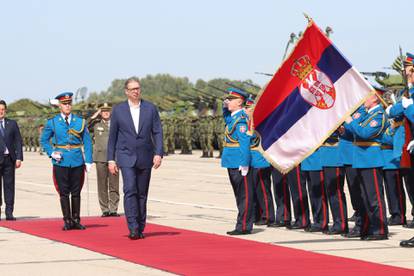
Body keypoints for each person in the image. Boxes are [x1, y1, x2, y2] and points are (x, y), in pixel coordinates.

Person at [107, 77, 163, 240]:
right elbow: (113, 136)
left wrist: (158, 153)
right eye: (132, 89)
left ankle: (140, 225)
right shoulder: (118, 110)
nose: (136, 91)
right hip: (125, 156)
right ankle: (132, 226)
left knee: (142, 193)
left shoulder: (150, 108)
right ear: (126, 92)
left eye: (138, 88)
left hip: (145, 156)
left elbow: (157, 132)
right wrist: (111, 159)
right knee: (130, 189)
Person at [40, 92, 93, 231]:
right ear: (60, 106)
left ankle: (76, 219)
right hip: (61, 161)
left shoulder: (80, 121)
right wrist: (51, 152)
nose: (67, 106)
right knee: (63, 192)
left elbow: (87, 142)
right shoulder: (52, 122)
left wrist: (88, 160)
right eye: (64, 104)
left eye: (69, 103)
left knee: (76, 192)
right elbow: (44, 140)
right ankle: (67, 220)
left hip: (77, 160)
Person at [344, 92, 388, 240]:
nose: (363, 100)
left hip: (371, 160)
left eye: (367, 96)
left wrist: (350, 122)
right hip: (362, 159)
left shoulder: (379, 115)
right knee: (365, 197)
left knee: (374, 197)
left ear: (375, 98)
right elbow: (354, 132)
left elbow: (364, 133)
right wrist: (344, 128)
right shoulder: (366, 114)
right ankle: (369, 228)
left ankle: (380, 230)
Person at [221, 88, 254, 235]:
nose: (228, 101)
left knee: (244, 195)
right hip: (231, 161)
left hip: (239, 162)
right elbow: (227, 119)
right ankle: (242, 223)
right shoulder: (234, 117)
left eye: (231, 99)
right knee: (238, 195)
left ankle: (244, 226)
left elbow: (245, 142)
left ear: (240, 102)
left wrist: (245, 163)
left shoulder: (241, 119)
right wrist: (224, 107)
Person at [91, 103, 120, 217]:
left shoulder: (116, 124)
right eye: (103, 111)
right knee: (102, 185)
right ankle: (105, 209)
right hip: (100, 158)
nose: (106, 112)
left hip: (114, 158)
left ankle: (113, 209)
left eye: (108, 110)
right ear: (100, 113)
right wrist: (96, 114)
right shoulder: (96, 124)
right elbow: (85, 125)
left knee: (114, 185)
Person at [0, 100, 23, 220]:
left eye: (3, 109)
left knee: (9, 186)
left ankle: (9, 212)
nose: (1, 112)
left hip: (9, 160)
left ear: (5, 111)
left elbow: (18, 141)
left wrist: (19, 157)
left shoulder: (12, 124)